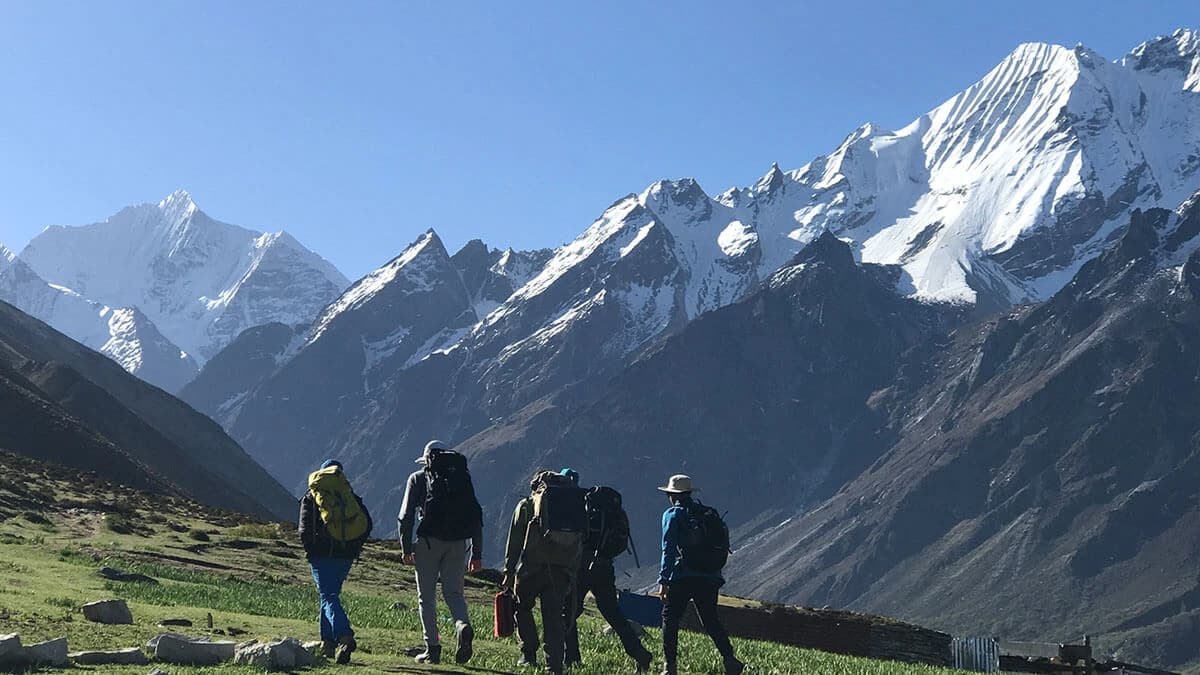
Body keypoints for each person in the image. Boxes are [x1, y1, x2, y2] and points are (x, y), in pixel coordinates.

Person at [397, 440, 484, 665]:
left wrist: (406, 548)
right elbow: (475, 515)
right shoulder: (461, 479)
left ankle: (432, 649)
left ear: (426, 459)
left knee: (426, 597)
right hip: (458, 544)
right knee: (454, 594)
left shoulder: (417, 478)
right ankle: (462, 624)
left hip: (428, 543)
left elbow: (405, 516)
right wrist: (476, 554)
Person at [559, 469, 653, 672]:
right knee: (612, 613)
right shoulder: (600, 505)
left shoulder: (574, 504)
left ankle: (572, 659)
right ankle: (640, 653)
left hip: (581, 565)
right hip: (604, 565)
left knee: (567, 612)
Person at [658, 474, 745, 675]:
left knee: (670, 618)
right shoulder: (707, 513)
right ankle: (730, 660)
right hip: (710, 576)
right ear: (689, 493)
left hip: (684, 576)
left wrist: (664, 580)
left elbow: (668, 549)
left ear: (672, 495)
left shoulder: (673, 514)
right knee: (710, 620)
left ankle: (669, 667)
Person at [503, 470, 587, 675]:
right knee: (554, 618)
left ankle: (529, 653)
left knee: (522, 608)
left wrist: (509, 570)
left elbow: (515, 540)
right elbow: (580, 541)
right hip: (561, 571)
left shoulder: (527, 505)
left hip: (531, 568)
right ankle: (554, 666)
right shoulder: (573, 507)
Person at [298, 459, 373, 665]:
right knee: (329, 595)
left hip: (321, 556)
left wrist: (312, 550)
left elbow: (304, 529)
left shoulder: (312, 496)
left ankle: (344, 636)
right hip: (345, 556)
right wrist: (353, 548)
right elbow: (367, 524)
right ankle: (327, 644)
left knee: (328, 596)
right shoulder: (349, 496)